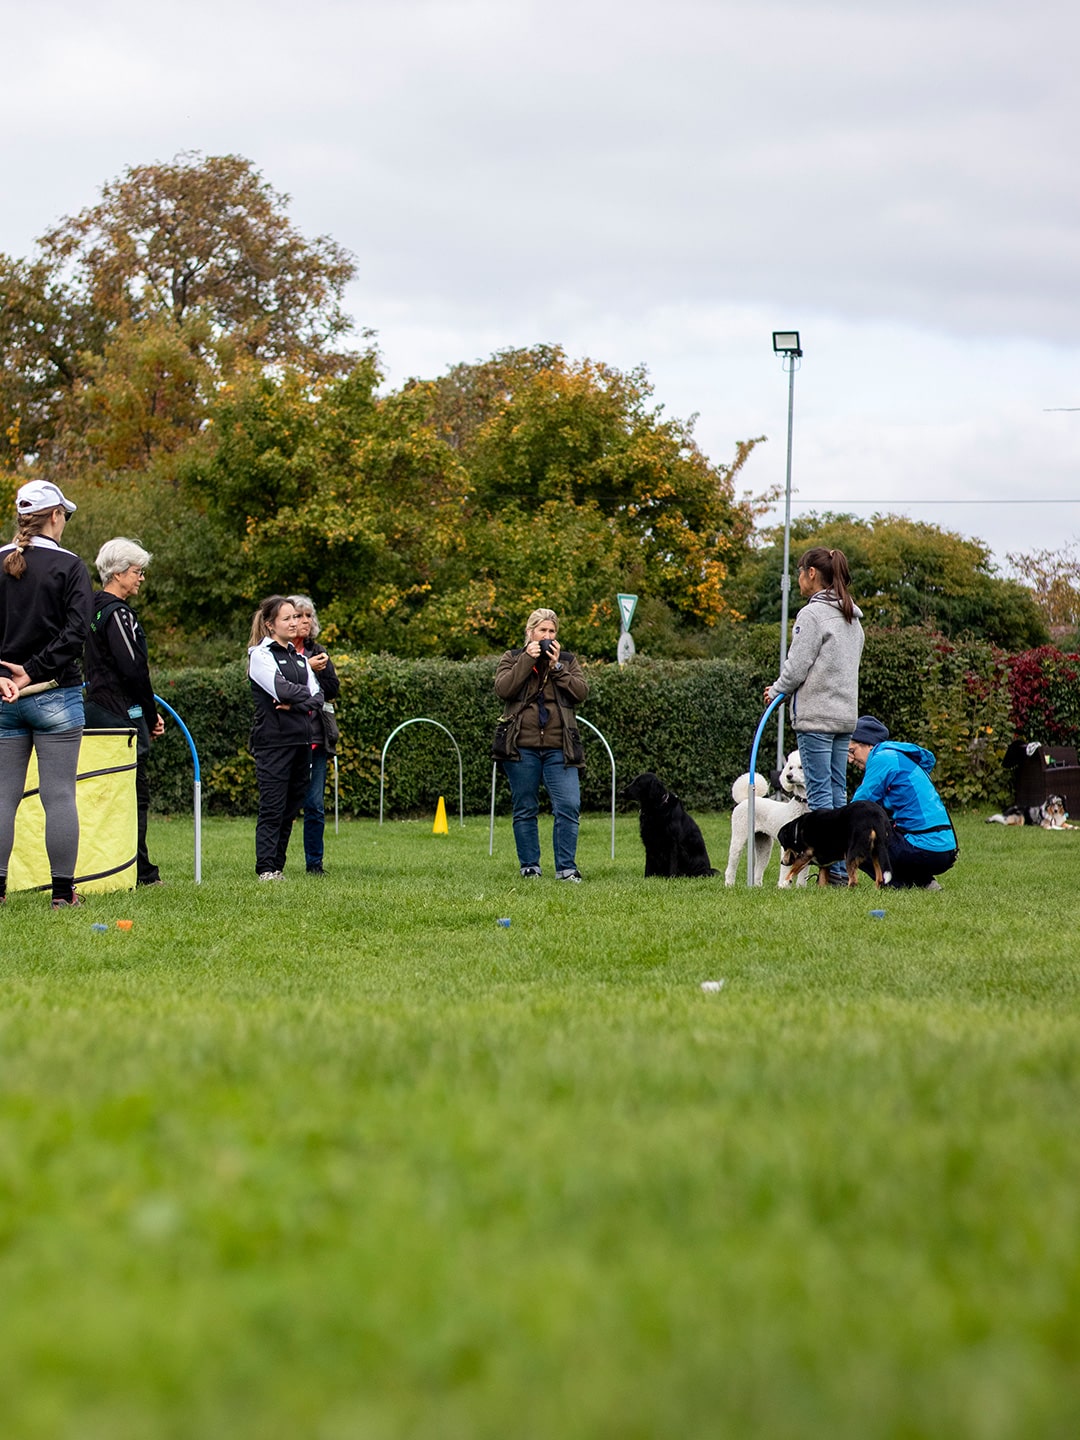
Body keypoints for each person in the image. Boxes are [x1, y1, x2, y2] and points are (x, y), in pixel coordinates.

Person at [0, 480, 93, 908]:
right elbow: (76, 637)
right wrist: (32, 673)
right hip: (55, 693)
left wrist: (7, 679)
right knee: (59, 796)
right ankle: (62, 896)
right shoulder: (71, 566)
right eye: (65, 516)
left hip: (3, 697)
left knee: (3, 797)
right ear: (55, 516)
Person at [764, 546, 864, 883]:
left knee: (820, 794)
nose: (798, 579)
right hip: (844, 716)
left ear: (810, 574)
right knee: (838, 793)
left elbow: (797, 667)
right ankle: (842, 867)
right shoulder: (852, 616)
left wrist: (777, 689)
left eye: (799, 572)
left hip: (817, 718)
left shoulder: (812, 615)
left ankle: (833, 873)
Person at [83, 538, 165, 886]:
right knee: (134, 793)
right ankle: (140, 871)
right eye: (136, 571)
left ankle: (104, 864)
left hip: (95, 709)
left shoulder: (90, 609)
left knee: (103, 792)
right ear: (117, 574)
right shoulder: (118, 614)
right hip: (121, 712)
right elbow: (133, 669)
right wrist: (150, 713)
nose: (141, 578)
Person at [494, 607, 589, 881]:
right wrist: (527, 659)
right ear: (530, 633)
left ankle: (566, 868)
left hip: (561, 747)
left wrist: (557, 667)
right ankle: (530, 866)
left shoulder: (568, 661)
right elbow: (503, 689)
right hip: (521, 746)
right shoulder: (512, 658)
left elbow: (581, 692)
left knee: (569, 805)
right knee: (525, 807)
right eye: (542, 631)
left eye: (552, 631)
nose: (548, 636)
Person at [247, 595, 324, 881]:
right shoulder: (260, 656)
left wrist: (296, 702)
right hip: (273, 743)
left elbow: (318, 697)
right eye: (287, 618)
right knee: (273, 806)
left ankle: (277, 866)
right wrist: (296, 697)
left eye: (296, 617)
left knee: (291, 808)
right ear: (270, 625)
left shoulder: (300, 658)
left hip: (302, 742)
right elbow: (284, 691)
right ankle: (265, 868)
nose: (294, 622)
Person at [847, 715, 958, 889]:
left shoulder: (882, 758)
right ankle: (925, 882)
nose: (850, 759)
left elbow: (855, 810)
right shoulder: (898, 756)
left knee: (853, 837)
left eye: (852, 751)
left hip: (926, 847)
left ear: (868, 744)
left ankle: (898, 884)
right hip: (944, 848)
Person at [287, 594, 339, 875]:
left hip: (316, 737)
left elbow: (332, 689)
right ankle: (272, 863)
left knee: (315, 804)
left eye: (308, 616)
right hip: (285, 737)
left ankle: (314, 865)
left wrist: (317, 672)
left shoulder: (318, 651)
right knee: (282, 802)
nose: (305, 621)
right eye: (298, 615)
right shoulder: (274, 652)